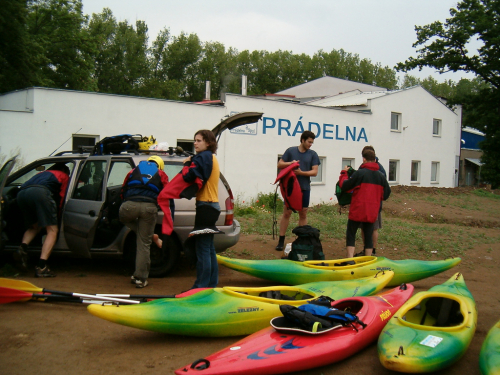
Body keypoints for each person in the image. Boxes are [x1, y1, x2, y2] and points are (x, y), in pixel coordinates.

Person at [120, 155, 169, 288]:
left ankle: (148, 235)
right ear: (159, 165)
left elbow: (123, 189)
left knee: (122, 217)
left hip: (129, 205)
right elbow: (167, 193)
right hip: (149, 208)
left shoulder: (133, 171)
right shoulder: (161, 174)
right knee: (143, 244)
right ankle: (140, 279)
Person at [14, 163, 70, 277]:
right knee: (52, 230)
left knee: (34, 226)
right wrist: (57, 216)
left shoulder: (42, 173)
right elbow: (63, 196)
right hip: (40, 193)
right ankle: (41, 266)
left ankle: (22, 248)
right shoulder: (64, 175)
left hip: (21, 194)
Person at [182, 130, 221, 289]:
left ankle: (201, 287)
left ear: (208, 143)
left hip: (206, 205)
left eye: (198, 140)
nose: (195, 143)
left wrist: (186, 164)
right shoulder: (211, 157)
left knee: (203, 249)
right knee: (208, 248)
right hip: (211, 206)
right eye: (195, 140)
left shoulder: (204, 156)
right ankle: (211, 284)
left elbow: (190, 176)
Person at [338, 148, 391, 258]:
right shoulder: (380, 176)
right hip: (372, 210)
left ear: (364, 159)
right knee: (368, 235)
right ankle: (368, 259)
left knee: (351, 233)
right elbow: (386, 194)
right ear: (374, 159)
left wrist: (344, 173)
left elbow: (345, 186)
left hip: (358, 209)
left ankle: (350, 259)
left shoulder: (360, 173)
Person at [275, 130, 320, 251]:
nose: (311, 144)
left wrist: (301, 173)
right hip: (291, 188)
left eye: (312, 142)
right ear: (303, 140)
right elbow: (280, 164)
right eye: (309, 142)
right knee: (286, 213)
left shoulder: (313, 154)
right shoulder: (290, 151)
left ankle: (302, 239)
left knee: (303, 213)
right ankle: (281, 241)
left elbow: (315, 172)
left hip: (304, 188)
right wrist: (291, 163)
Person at [357, 145, 387, 257]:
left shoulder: (379, 169)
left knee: (373, 228)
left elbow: (384, 189)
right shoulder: (363, 168)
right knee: (364, 228)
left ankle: (372, 250)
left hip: (373, 204)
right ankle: (367, 249)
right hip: (365, 204)